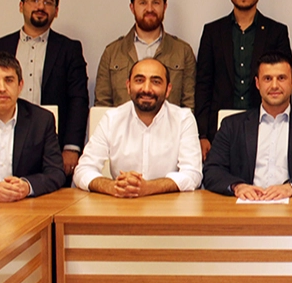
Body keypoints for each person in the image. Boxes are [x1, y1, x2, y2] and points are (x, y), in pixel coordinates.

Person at [0, 0, 88, 178]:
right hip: (5, 138)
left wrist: (71, 147)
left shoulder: (69, 49)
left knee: (50, 191)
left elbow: (78, 99)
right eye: (34, 0)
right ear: (21, 6)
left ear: (56, 11)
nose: (41, 6)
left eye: (48, 2)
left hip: (52, 144)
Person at [196, 0, 292, 159]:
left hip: (264, 126)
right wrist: (202, 134)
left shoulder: (276, 31)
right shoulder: (213, 31)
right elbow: (203, 84)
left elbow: (284, 82)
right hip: (218, 130)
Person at [203, 52, 292, 199]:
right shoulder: (232, 126)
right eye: (268, 79)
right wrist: (237, 186)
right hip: (245, 206)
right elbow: (212, 170)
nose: (274, 86)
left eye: (281, 78)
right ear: (257, 83)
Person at [73, 58, 202, 197]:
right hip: (121, 204)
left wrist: (149, 188)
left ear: (168, 89)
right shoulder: (112, 119)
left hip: (169, 205)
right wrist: (114, 187)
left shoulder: (183, 119)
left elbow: (192, 174)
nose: (146, 89)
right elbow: (83, 170)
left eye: (156, 82)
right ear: (128, 86)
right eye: (139, 80)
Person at [0, 52, 65, 200]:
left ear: (20, 85)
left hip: (27, 205)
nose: (2, 88)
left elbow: (56, 172)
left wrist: (27, 186)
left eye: (9, 80)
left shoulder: (42, 120)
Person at [95, 0, 196, 110]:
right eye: (143, 3)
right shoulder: (112, 53)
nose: (149, 9)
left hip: (169, 124)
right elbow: (102, 105)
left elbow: (189, 104)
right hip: (123, 124)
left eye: (156, 3)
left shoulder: (183, 52)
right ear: (132, 8)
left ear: (164, 7)